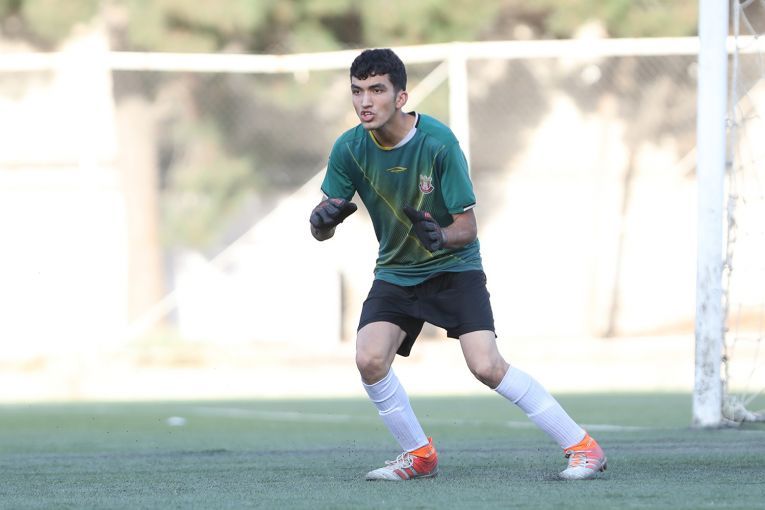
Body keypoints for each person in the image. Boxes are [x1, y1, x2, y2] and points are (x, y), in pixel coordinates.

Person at [309, 48, 606, 481]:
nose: (364, 102)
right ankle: (419, 455)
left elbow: (467, 227)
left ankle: (584, 448)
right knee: (369, 359)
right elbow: (324, 221)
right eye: (357, 91)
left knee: (486, 365)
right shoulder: (348, 148)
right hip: (396, 272)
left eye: (376, 90)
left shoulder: (438, 143)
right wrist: (320, 224)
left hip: (455, 268)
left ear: (401, 96)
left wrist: (441, 236)